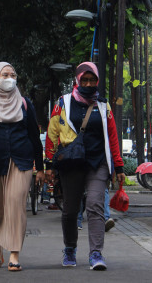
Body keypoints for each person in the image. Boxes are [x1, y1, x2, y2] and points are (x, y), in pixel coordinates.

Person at [44, 62, 125, 270]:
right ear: (77, 81)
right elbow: (52, 134)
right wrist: (49, 165)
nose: (88, 84)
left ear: (97, 81)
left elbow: (113, 137)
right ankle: (70, 249)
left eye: (92, 80)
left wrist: (119, 166)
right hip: (72, 163)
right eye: (84, 80)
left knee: (95, 206)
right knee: (70, 211)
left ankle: (96, 253)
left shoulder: (103, 105)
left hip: (97, 163)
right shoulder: (63, 103)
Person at [0, 62, 44, 271]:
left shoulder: (24, 104)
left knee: (15, 203)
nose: (9, 78)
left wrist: (40, 167)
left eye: (13, 74)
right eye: (5, 74)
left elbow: (33, 136)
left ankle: (14, 252)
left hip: (21, 162)